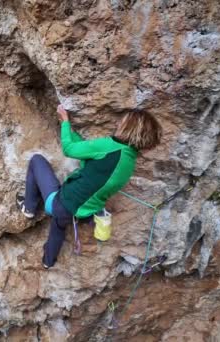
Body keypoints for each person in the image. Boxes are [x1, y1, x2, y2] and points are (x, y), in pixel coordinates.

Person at [17, 104, 162, 268]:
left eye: (124, 120)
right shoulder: (129, 162)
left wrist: (65, 122)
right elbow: (91, 159)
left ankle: (28, 207)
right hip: (85, 211)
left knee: (36, 161)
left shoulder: (109, 145)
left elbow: (69, 149)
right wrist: (73, 134)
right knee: (59, 225)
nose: (120, 121)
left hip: (63, 204)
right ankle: (48, 262)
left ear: (129, 127)